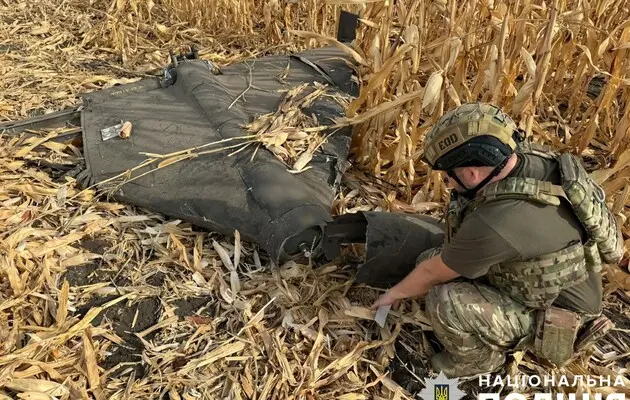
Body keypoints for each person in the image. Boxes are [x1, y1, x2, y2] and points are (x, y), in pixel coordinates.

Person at [371, 102, 624, 378]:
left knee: (447, 300)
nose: (449, 184)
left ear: (471, 173)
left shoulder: (498, 222)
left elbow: (433, 273)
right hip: (545, 282)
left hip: (560, 319)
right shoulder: (532, 160)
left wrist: (393, 294)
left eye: (449, 176)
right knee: (429, 261)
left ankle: (478, 362)